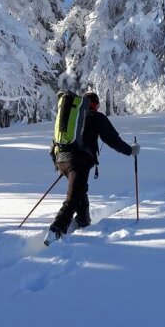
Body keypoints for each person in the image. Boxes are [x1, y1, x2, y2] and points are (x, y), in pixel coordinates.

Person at [44, 92, 140, 245]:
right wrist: (130, 150)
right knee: (73, 198)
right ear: (94, 104)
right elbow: (112, 139)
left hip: (61, 159)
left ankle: (83, 220)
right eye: (98, 105)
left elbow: (55, 140)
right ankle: (55, 231)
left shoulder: (72, 119)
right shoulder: (96, 117)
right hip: (78, 161)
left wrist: (58, 163)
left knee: (80, 190)